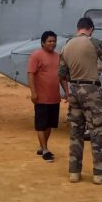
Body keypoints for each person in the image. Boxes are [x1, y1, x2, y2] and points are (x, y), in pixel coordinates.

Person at [59, 17, 102, 184]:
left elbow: (62, 73)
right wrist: (96, 66)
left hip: (74, 90)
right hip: (91, 91)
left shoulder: (67, 45)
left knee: (75, 132)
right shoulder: (93, 42)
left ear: (78, 28)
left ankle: (74, 172)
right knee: (98, 131)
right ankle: (101, 173)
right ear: (91, 29)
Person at [27, 30, 68, 163]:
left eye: (54, 41)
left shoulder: (58, 56)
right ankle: (45, 150)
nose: (52, 43)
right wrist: (33, 93)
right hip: (41, 97)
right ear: (43, 42)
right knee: (41, 125)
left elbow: (62, 76)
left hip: (54, 97)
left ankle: (42, 146)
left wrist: (67, 92)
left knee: (49, 124)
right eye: (50, 41)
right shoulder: (36, 55)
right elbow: (31, 74)